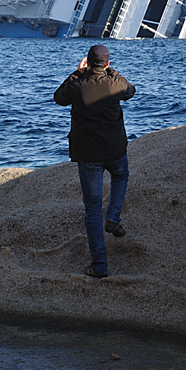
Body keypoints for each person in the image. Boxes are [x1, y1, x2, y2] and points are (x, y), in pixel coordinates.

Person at [53, 44, 136, 278]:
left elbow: (58, 98)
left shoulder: (77, 85)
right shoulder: (115, 83)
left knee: (92, 208)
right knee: (120, 176)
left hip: (88, 153)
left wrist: (77, 73)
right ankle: (113, 217)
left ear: (87, 62)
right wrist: (112, 72)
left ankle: (100, 265)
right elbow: (131, 90)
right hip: (115, 149)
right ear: (108, 64)